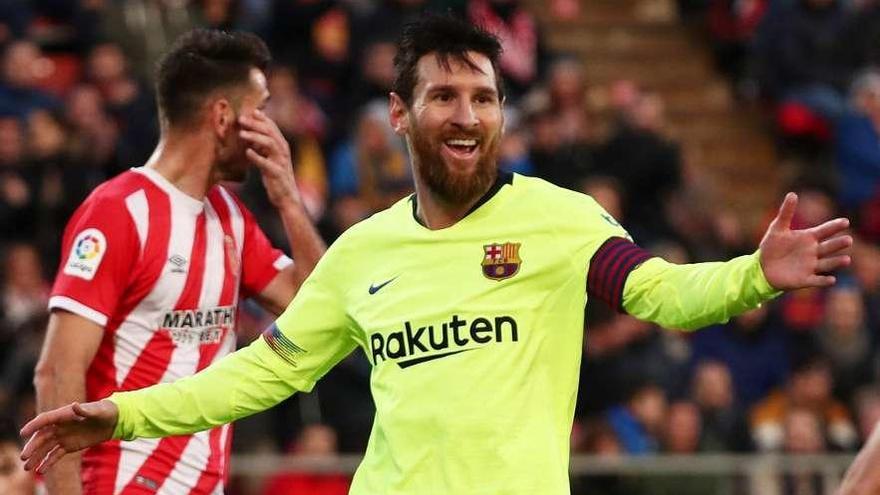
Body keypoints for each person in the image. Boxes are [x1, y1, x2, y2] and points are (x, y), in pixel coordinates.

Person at [20, 15, 852, 495]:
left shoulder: (559, 221)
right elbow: (258, 372)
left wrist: (751, 272)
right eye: (445, 95)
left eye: (484, 97)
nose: (467, 114)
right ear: (399, 112)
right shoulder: (363, 251)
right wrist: (123, 412)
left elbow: (662, 292)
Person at [27, 30, 326, 495]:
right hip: (119, 482)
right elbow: (57, 371)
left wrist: (288, 196)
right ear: (224, 116)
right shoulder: (119, 211)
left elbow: (316, 309)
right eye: (261, 110)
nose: (272, 126)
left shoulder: (230, 217)